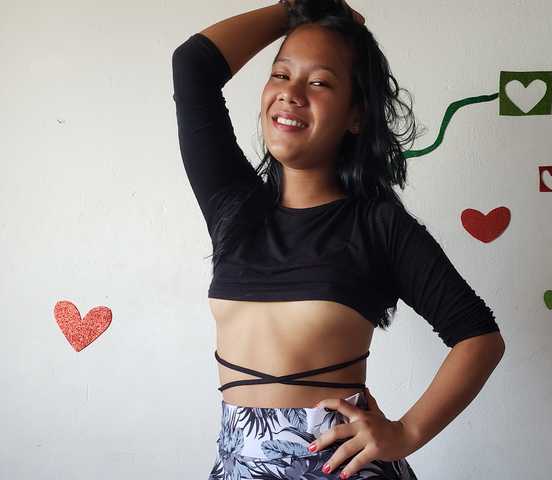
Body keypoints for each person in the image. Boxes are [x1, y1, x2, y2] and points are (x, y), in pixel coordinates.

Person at [171, 1, 506, 478]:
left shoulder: (378, 226)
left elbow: (479, 337)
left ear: (356, 115)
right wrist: (299, 8)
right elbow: (192, 66)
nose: (290, 94)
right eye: (281, 74)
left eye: (319, 83)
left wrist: (406, 432)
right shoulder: (232, 208)